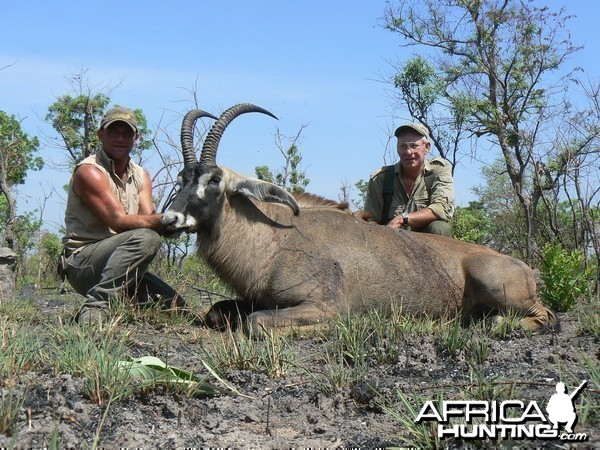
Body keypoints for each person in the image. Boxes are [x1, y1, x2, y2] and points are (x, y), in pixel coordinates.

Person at [61, 107, 186, 324]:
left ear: (135, 137)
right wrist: (168, 219)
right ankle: (96, 306)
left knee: (179, 309)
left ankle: (122, 299)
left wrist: (181, 221)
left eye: (126, 133)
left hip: (122, 267)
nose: (120, 139)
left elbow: (148, 217)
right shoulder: (89, 172)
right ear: (101, 135)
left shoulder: (141, 174)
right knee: (147, 238)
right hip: (83, 263)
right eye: (113, 132)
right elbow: (118, 222)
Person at [362, 122, 454, 237]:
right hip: (390, 240)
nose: (408, 152)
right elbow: (371, 221)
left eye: (414, 146)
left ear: (427, 148)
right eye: (403, 146)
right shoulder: (381, 178)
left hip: (427, 243)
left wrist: (403, 219)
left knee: (440, 227)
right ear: (397, 149)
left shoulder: (439, 170)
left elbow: (441, 208)